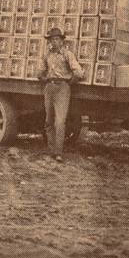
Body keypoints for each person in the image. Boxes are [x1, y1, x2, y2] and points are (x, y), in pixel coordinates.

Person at [37, 28, 85, 162]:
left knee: (60, 122)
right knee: (48, 121)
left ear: (62, 41)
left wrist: (70, 82)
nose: (54, 42)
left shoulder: (67, 54)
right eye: (52, 40)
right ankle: (51, 151)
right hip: (49, 87)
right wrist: (43, 77)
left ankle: (58, 153)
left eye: (57, 39)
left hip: (63, 88)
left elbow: (79, 72)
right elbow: (39, 72)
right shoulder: (47, 55)